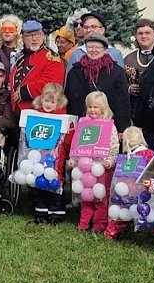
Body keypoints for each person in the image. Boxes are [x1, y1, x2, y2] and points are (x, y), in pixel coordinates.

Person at [71, 91, 120, 233]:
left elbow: (114, 146)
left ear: (104, 109)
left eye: (96, 107)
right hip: (85, 168)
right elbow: (77, 145)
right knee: (85, 197)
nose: (92, 110)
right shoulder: (83, 124)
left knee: (100, 198)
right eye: (90, 106)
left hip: (101, 168)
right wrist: (73, 160)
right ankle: (84, 222)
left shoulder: (109, 126)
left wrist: (110, 161)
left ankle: (99, 224)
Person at [65, 33, 131, 133]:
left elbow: (122, 102)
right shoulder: (75, 71)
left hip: (108, 125)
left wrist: (122, 129)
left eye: (98, 47)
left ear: (105, 49)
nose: (94, 50)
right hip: (80, 125)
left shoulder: (116, 71)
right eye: (90, 47)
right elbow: (69, 100)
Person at [28, 83, 72, 225]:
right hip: (37, 156)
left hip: (56, 159)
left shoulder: (64, 118)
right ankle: (40, 210)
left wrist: (68, 133)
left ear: (58, 102)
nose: (48, 104)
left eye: (52, 102)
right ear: (41, 99)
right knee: (37, 183)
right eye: (46, 100)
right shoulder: (35, 115)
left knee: (54, 184)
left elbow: (69, 141)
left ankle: (55, 212)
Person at [104, 126, 154, 241]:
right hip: (146, 193)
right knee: (153, 214)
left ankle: (110, 233)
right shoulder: (150, 154)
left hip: (126, 193)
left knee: (121, 213)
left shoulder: (126, 157)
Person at [9, 20, 66, 113]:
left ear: (43, 36)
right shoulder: (21, 58)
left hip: (39, 112)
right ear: (23, 38)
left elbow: (52, 84)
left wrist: (24, 92)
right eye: (29, 35)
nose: (34, 39)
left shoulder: (51, 57)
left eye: (38, 34)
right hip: (17, 113)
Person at [124, 18, 154, 120]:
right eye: (140, 33)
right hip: (133, 112)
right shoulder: (128, 59)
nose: (144, 36)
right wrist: (129, 88)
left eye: (147, 33)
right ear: (135, 35)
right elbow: (119, 83)